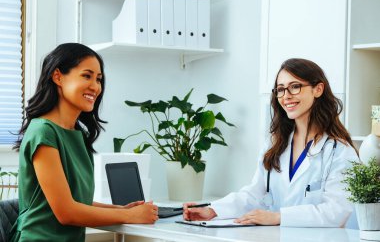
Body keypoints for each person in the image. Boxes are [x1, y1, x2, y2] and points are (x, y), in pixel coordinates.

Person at [183, 58, 359, 227]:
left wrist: (278, 217)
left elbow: (337, 211)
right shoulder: (275, 144)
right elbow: (255, 193)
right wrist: (213, 210)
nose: (286, 96)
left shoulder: (339, 151)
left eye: (295, 87)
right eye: (280, 89)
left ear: (318, 89)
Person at [11, 43, 158, 242]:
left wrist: (120, 209)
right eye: (86, 76)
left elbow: (78, 202)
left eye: (98, 79)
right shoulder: (43, 132)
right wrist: (130, 216)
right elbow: (67, 212)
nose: (95, 87)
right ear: (58, 77)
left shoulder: (78, 133)